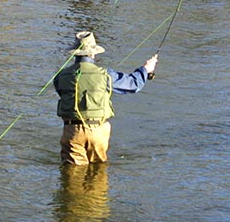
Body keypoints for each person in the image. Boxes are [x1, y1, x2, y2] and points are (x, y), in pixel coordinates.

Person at [54, 30, 158, 165]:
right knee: (98, 172)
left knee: (72, 175)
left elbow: (61, 93)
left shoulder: (61, 76)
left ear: (75, 53)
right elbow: (133, 85)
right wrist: (145, 69)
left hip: (72, 130)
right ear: (93, 53)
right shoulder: (106, 75)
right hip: (98, 130)